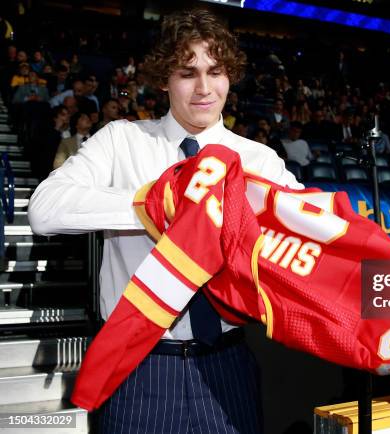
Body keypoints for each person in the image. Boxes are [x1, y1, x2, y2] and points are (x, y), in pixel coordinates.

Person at [28, 7, 300, 434]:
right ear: (163, 79)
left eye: (216, 71)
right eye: (187, 73)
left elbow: (310, 242)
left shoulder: (259, 159)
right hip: (139, 368)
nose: (204, 89)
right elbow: (44, 209)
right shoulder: (122, 140)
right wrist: (156, 204)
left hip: (228, 364)